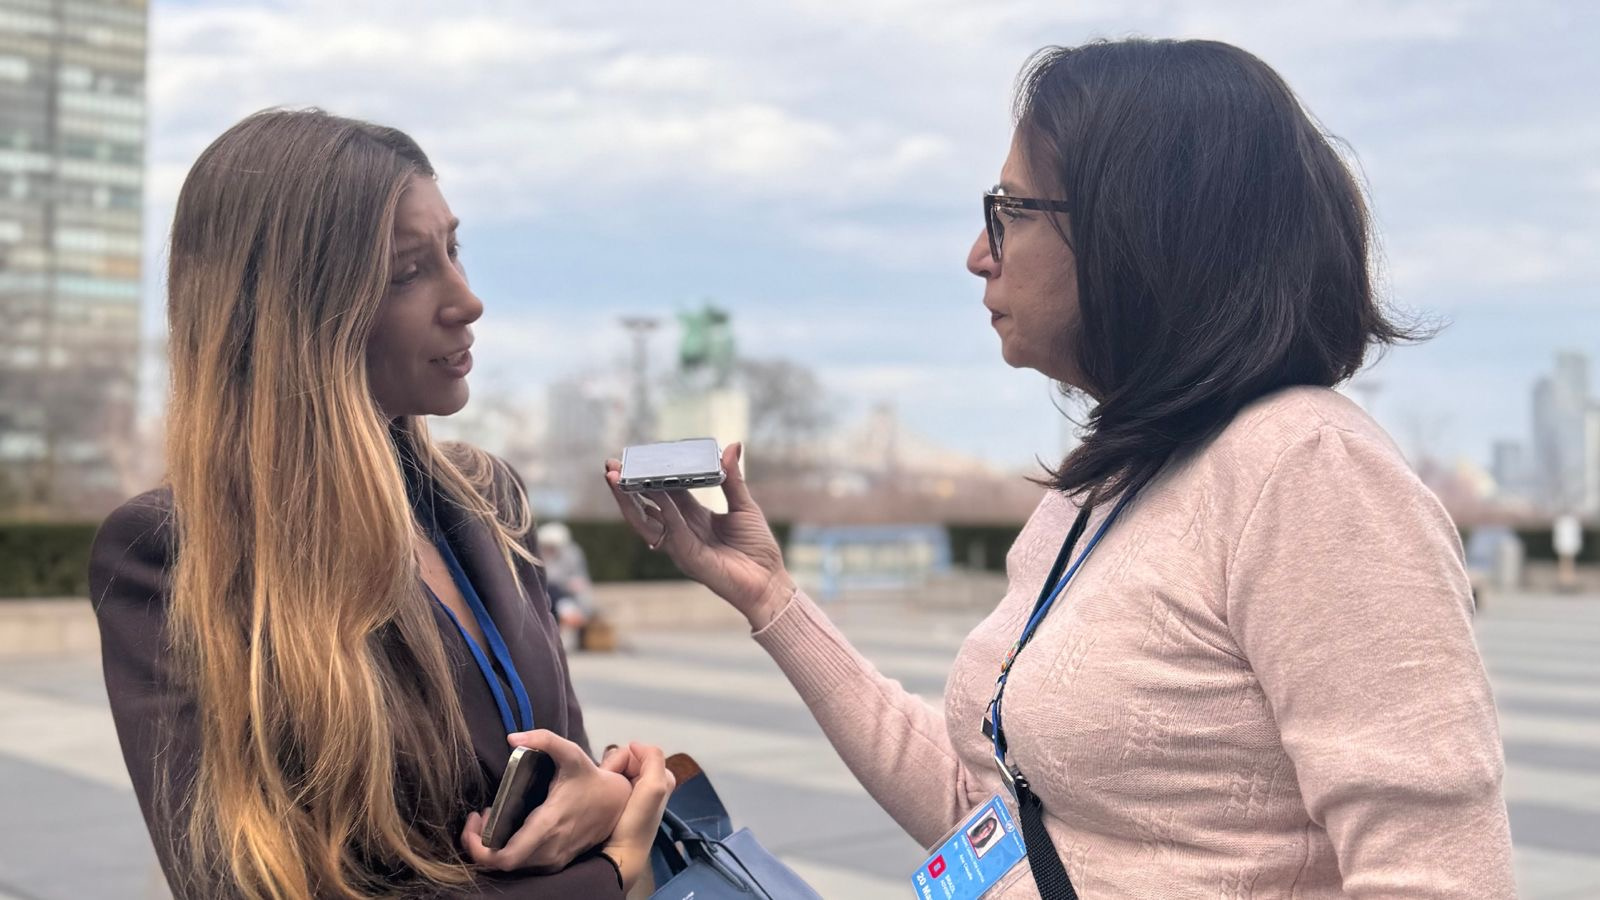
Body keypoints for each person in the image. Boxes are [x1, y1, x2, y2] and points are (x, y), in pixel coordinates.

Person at [606, 39, 1516, 898]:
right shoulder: (1109, 485)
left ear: (1141, 233)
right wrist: (770, 597)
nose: (978, 255)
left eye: (1009, 213)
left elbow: (1436, 872)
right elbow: (993, 817)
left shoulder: (1309, 471)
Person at [89, 109, 671, 900]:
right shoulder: (170, 555)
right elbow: (247, 886)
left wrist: (602, 796)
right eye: (407, 273)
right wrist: (613, 872)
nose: (467, 300)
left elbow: (555, 768)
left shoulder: (489, 501)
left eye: (453, 251)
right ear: (296, 313)